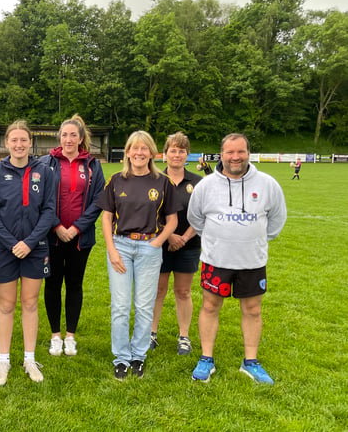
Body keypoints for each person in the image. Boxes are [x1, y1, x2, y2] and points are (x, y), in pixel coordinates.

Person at [187, 133, 287, 385]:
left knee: (253, 310)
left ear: (248, 153)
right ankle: (206, 358)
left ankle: (250, 362)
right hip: (215, 260)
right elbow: (195, 219)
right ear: (221, 155)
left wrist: (254, 239)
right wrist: (218, 239)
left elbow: (277, 219)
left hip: (252, 261)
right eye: (230, 152)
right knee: (210, 307)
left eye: (240, 151)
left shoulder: (267, 184)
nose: (235, 157)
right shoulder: (206, 186)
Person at [97, 130, 180, 379]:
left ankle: (138, 356)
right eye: (135, 148)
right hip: (121, 246)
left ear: (152, 153)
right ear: (128, 152)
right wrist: (111, 250)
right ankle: (121, 357)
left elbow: (173, 220)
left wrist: (157, 243)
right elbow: (107, 217)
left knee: (144, 306)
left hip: (149, 249)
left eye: (145, 148)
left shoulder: (162, 181)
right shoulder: (116, 180)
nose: (140, 153)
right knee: (120, 306)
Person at [0, 120, 57, 385]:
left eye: (23, 140)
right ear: (7, 143)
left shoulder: (44, 172)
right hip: (5, 249)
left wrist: (30, 242)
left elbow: (49, 211)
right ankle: (4, 362)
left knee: (30, 303)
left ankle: (29, 358)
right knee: (6, 304)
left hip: (35, 249)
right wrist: (11, 242)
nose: (19, 144)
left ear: (30, 143)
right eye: (14, 140)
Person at [39, 115, 105, 357]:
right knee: (53, 283)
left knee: (74, 284)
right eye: (64, 135)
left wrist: (77, 227)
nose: (68, 139)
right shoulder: (46, 163)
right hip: (52, 236)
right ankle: (55, 335)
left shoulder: (92, 165)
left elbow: (98, 200)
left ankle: (70, 336)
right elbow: (42, 198)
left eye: (73, 135)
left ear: (80, 138)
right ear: (60, 137)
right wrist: (56, 225)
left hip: (81, 238)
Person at [150, 132, 203, 356]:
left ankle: (184, 336)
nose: (177, 154)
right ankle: (151, 333)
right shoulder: (154, 180)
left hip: (189, 245)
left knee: (183, 291)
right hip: (160, 244)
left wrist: (184, 237)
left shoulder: (199, 182)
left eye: (182, 151)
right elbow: (148, 214)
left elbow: (203, 215)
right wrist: (169, 235)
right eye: (173, 150)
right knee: (158, 291)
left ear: (187, 155)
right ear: (165, 154)